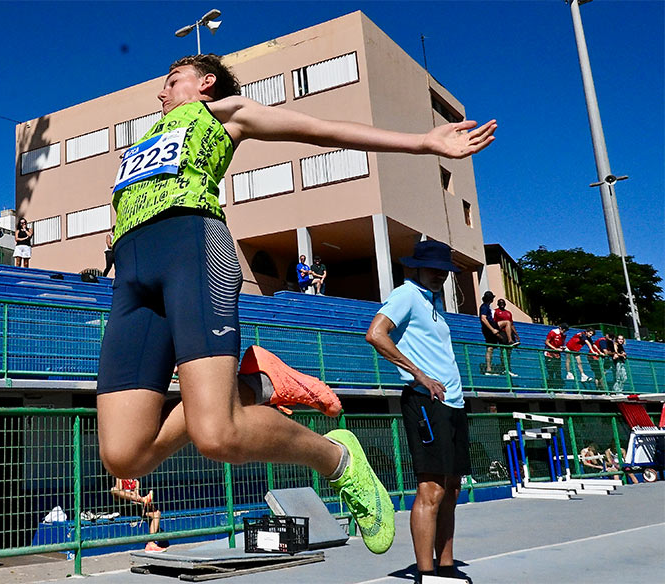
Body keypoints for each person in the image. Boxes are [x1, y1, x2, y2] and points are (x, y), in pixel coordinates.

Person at [97, 54, 494, 558]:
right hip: (131, 275)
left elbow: (319, 130)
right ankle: (251, 385)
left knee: (216, 435)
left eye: (172, 80)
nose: (161, 92)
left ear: (206, 83)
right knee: (124, 456)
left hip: (192, 249)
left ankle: (337, 459)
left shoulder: (224, 113)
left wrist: (422, 143)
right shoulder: (143, 143)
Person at [365, 240, 473, 583]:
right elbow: (376, 334)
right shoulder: (407, 294)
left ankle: (446, 566)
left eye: (444, 269)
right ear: (416, 267)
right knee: (432, 489)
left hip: (452, 401)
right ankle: (426, 574)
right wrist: (419, 374)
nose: (440, 274)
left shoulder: (434, 302)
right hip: (425, 401)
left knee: (452, 488)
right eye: (433, 268)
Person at [109, 477, 169, 552]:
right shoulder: (120, 478)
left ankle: (151, 543)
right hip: (121, 506)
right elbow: (117, 493)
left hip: (133, 506)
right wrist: (134, 496)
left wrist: (144, 502)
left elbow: (136, 495)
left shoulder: (136, 481)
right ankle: (143, 499)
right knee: (114, 490)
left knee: (156, 513)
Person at [479, 291, 505, 376]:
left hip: (492, 327)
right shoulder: (484, 307)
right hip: (489, 329)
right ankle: (488, 368)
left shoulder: (487, 307)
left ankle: (508, 340)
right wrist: (492, 329)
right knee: (490, 347)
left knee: (506, 324)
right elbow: (483, 318)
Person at [543, 323, 569, 389]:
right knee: (551, 371)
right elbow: (547, 342)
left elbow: (561, 343)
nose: (564, 331)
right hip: (549, 354)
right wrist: (555, 348)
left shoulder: (563, 335)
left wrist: (562, 347)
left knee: (558, 371)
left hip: (557, 355)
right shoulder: (553, 332)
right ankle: (550, 387)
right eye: (563, 330)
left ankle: (558, 387)